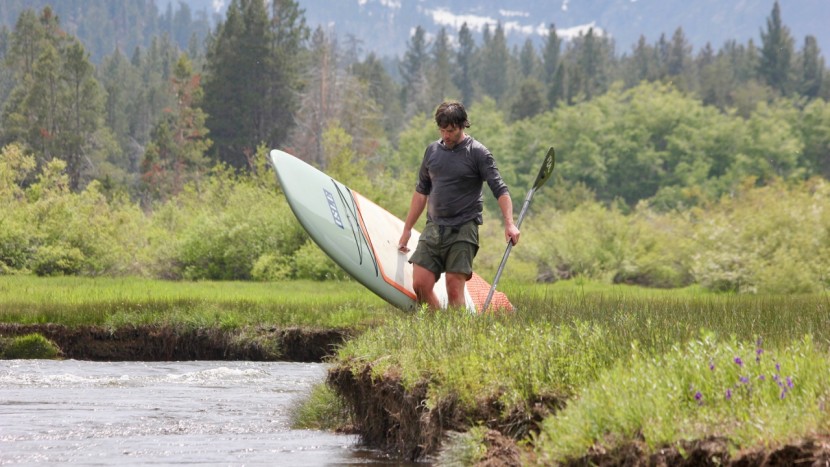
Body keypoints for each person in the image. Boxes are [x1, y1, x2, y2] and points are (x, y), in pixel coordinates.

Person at [397, 101, 520, 310]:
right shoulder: (432, 152)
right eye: (442, 130)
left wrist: (509, 223)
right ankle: (440, 329)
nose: (446, 135)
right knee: (420, 284)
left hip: (464, 228)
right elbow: (420, 192)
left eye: (451, 130)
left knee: (454, 290)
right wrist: (407, 229)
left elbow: (500, 189)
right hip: (434, 228)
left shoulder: (478, 153)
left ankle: (456, 335)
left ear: (463, 126)